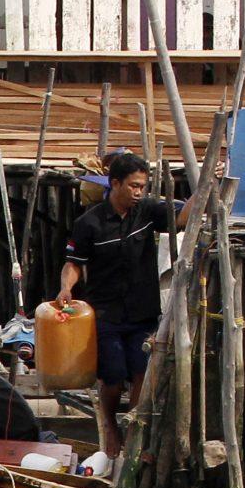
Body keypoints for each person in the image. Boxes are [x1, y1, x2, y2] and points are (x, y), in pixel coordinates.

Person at [55, 150, 183, 459]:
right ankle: (110, 423)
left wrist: (207, 185)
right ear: (115, 184)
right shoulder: (91, 223)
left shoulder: (148, 212)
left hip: (142, 311)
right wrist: (66, 289)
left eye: (143, 186)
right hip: (106, 313)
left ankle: (134, 433)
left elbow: (181, 219)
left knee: (142, 373)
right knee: (112, 378)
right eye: (134, 186)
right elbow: (73, 263)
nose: (139, 192)